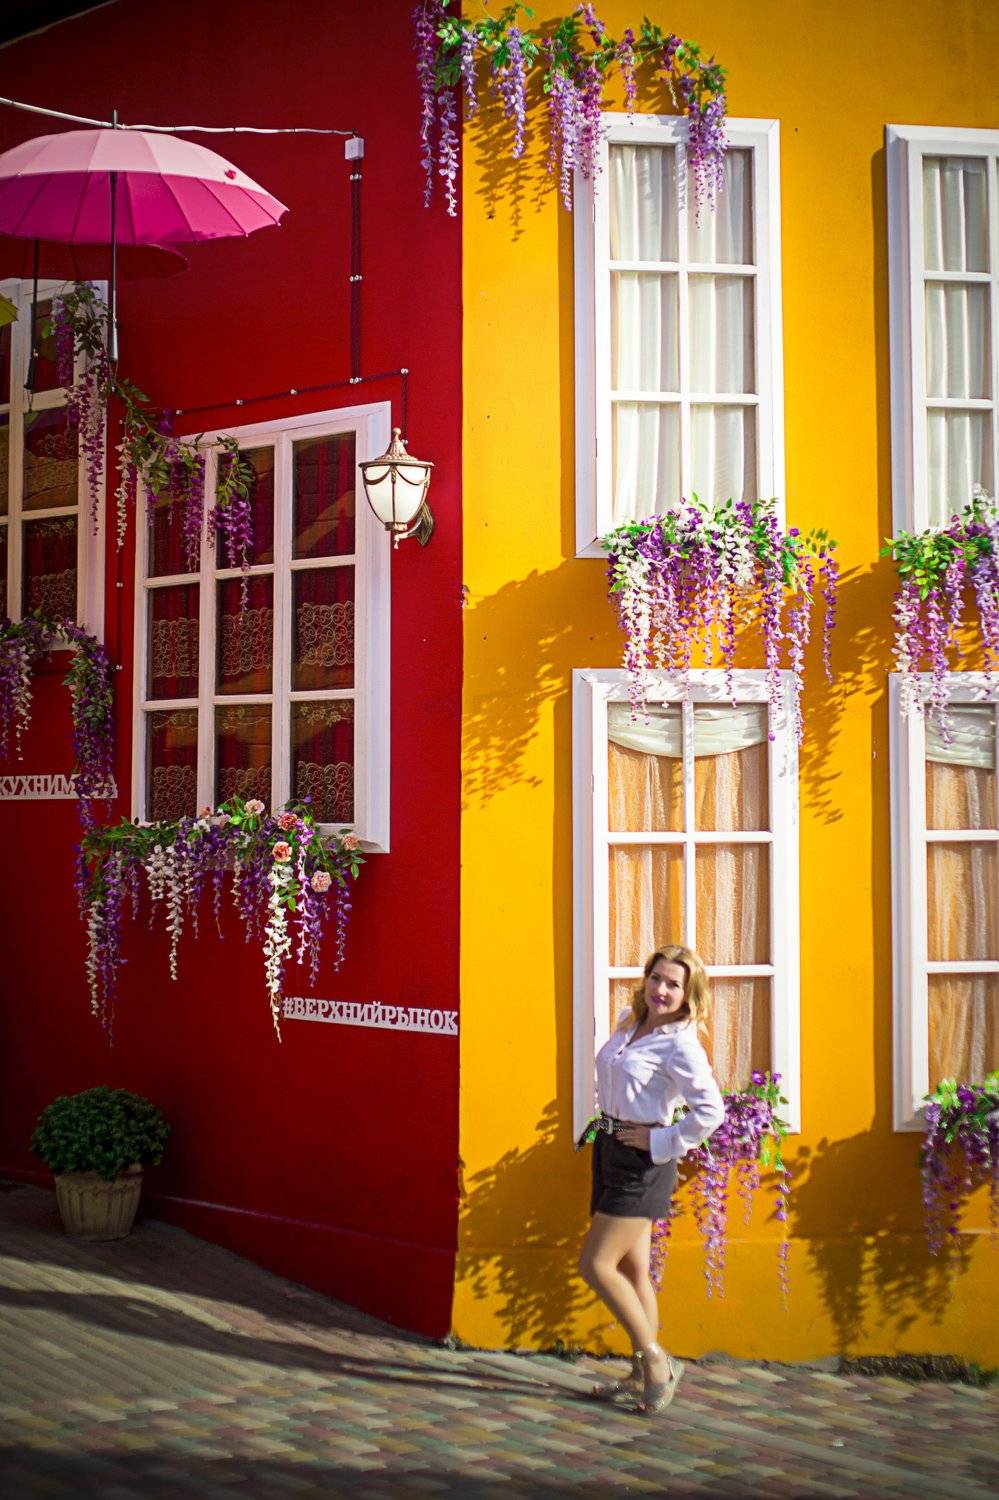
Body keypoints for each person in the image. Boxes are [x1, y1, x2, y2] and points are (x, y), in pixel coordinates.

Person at [577, 944, 725, 1414]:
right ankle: (640, 1372)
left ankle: (657, 1361)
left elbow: (711, 1112)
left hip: (644, 1162)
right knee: (633, 1270)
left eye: (673, 984)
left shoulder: (681, 1043)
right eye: (656, 978)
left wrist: (662, 1141)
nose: (661, 989)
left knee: (596, 1265)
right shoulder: (630, 1021)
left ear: (688, 994)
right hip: (610, 1149)